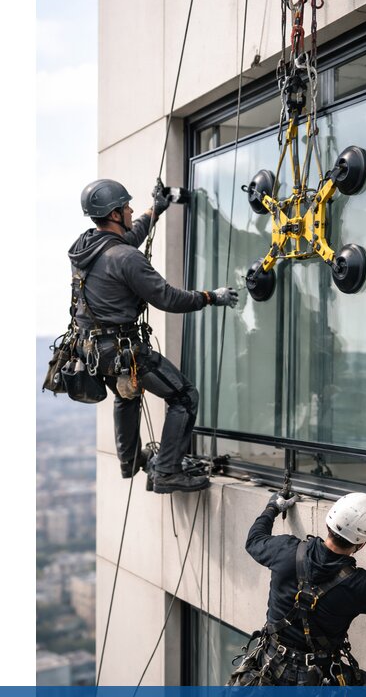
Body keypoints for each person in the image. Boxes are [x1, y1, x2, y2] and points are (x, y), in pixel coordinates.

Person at [68, 178, 239, 494]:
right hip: (123, 350)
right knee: (185, 397)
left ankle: (131, 461)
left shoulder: (86, 248)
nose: (132, 209)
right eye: (126, 206)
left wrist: (155, 210)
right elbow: (168, 298)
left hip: (93, 351)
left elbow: (127, 239)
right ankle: (168, 472)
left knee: (126, 394)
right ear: (116, 213)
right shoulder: (127, 258)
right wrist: (211, 296)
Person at [228, 490, 366, 686]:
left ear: (328, 524)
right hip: (314, 678)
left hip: (270, 666)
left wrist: (273, 507)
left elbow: (254, 540)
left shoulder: (286, 551)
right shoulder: (358, 584)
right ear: (361, 544)